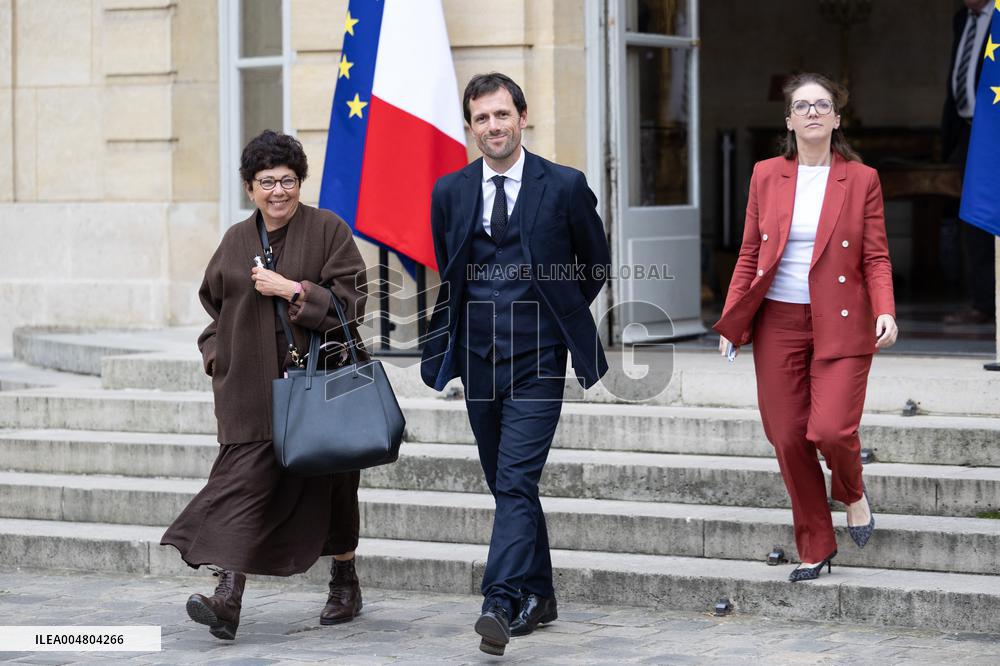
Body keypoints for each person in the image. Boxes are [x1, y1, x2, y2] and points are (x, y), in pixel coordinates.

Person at [420, 73, 611, 655]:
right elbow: (448, 262)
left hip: (539, 358)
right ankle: (542, 594)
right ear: (470, 126)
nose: (493, 127)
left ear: (522, 118)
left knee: (515, 479)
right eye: (482, 118)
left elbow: (594, 264)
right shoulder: (450, 192)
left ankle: (499, 600)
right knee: (508, 486)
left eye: (502, 115)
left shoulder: (565, 185)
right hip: (478, 357)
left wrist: (558, 316)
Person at [161, 130, 369, 639]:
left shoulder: (328, 230)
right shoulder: (235, 240)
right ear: (249, 188)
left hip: (319, 388)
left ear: (300, 182)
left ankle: (345, 581)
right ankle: (227, 597)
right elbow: (216, 306)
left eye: (288, 180)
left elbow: (354, 302)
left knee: (333, 485)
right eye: (267, 181)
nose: (279, 191)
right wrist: (217, 355)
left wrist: (295, 290)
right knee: (240, 489)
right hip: (250, 394)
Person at [714, 73, 898, 582]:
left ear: (837, 118)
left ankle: (852, 491)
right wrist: (734, 319)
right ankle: (816, 544)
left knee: (832, 430)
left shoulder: (862, 179)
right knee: (789, 436)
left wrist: (885, 308)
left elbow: (877, 256)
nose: (813, 112)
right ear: (789, 119)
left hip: (842, 321)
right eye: (802, 105)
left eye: (823, 105)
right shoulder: (766, 174)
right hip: (779, 320)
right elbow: (750, 253)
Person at [942, 0, 995, 324]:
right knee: (974, 220)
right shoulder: (962, 18)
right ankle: (983, 302)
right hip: (967, 132)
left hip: (995, 131)